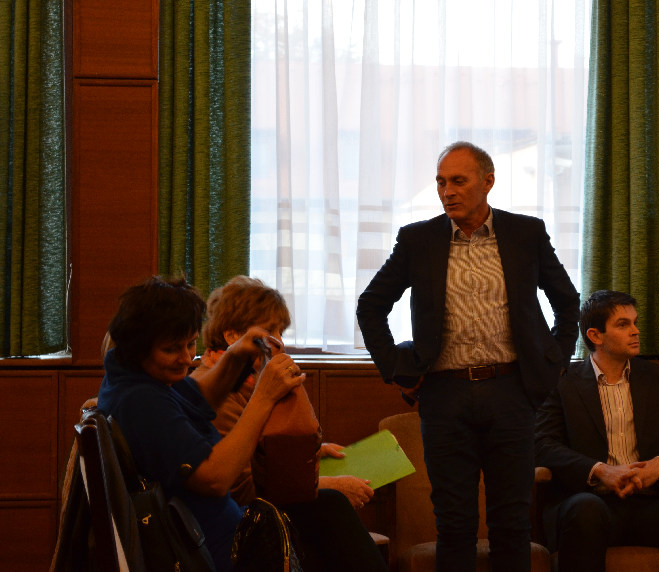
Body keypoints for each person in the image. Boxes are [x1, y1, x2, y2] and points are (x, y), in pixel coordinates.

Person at [356, 140, 580, 571]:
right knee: (455, 525)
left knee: (511, 524)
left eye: (458, 181)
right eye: (441, 182)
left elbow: (568, 302)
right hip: (444, 396)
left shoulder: (526, 233)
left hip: (512, 392)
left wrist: (551, 364)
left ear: (488, 182)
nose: (447, 192)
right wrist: (397, 368)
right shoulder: (419, 239)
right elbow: (371, 305)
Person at [97, 276, 386, 572]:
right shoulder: (141, 401)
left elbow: (198, 398)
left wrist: (235, 355)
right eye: (172, 349)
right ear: (138, 346)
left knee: (329, 508)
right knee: (331, 513)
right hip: (223, 551)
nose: (186, 358)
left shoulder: (134, 378)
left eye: (190, 343)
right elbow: (215, 478)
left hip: (228, 529)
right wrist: (265, 396)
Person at [534, 290, 659, 572]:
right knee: (585, 511)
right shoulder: (563, 383)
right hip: (592, 502)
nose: (636, 331)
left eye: (635, 323)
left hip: (651, 504)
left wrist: (657, 467)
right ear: (595, 335)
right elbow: (543, 445)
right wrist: (601, 471)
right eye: (623, 324)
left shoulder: (658, 379)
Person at [199, 275, 386, 572]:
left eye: (280, 331)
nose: (279, 341)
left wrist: (309, 452)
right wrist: (328, 485)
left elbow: (256, 451)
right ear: (232, 336)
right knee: (330, 505)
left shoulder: (245, 383)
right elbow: (242, 489)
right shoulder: (217, 393)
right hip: (234, 524)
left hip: (252, 513)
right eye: (269, 331)